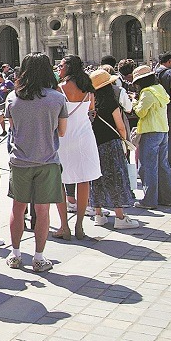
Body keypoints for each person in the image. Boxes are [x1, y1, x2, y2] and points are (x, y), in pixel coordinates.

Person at [4, 53, 68, 272]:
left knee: (18, 208)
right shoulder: (57, 98)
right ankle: (39, 258)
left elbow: (12, 128)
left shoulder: (12, 97)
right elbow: (62, 131)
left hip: (20, 160)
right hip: (47, 160)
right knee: (42, 211)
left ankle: (15, 254)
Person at [54, 55, 101, 241]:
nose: (59, 68)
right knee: (84, 180)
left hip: (64, 136)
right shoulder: (88, 89)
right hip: (84, 136)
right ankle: (79, 224)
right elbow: (91, 111)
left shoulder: (60, 89)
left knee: (60, 181)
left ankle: (64, 225)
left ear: (69, 67)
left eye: (61, 65)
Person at [88, 69, 140, 229]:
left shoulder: (91, 104)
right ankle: (120, 217)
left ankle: (98, 215)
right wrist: (124, 141)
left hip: (94, 144)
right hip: (111, 143)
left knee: (96, 179)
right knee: (116, 179)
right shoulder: (111, 103)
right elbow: (120, 126)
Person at [132, 66, 171, 209]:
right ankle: (167, 198)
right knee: (163, 166)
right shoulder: (160, 89)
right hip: (163, 130)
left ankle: (149, 201)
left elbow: (141, 112)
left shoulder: (147, 92)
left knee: (147, 167)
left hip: (150, 131)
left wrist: (134, 102)